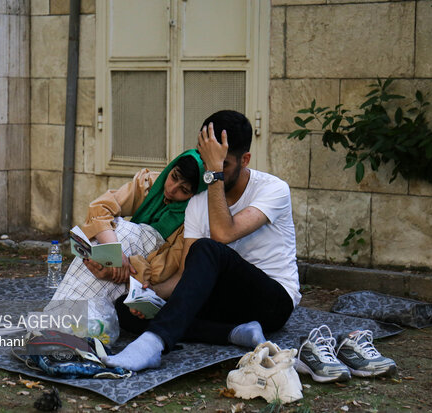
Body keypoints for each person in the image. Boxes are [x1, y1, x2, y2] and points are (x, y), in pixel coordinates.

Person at [104, 110, 301, 371]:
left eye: (222, 164)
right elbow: (186, 276)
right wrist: (146, 296)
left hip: (271, 301)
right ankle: (234, 333)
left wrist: (214, 174)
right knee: (126, 310)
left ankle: (153, 345)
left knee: (208, 248)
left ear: (245, 159)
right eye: (206, 161)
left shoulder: (273, 189)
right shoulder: (197, 202)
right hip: (224, 302)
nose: (210, 170)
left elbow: (223, 233)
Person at [44, 149, 207, 314]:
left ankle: (61, 319)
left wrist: (121, 269)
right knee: (107, 238)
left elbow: (164, 271)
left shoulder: (193, 220)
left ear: (195, 194)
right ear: (171, 168)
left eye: (184, 191)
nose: (172, 189)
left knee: (125, 233)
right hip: (122, 255)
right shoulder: (151, 184)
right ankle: (65, 318)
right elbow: (101, 208)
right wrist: (116, 252)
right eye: (174, 177)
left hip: (140, 274)